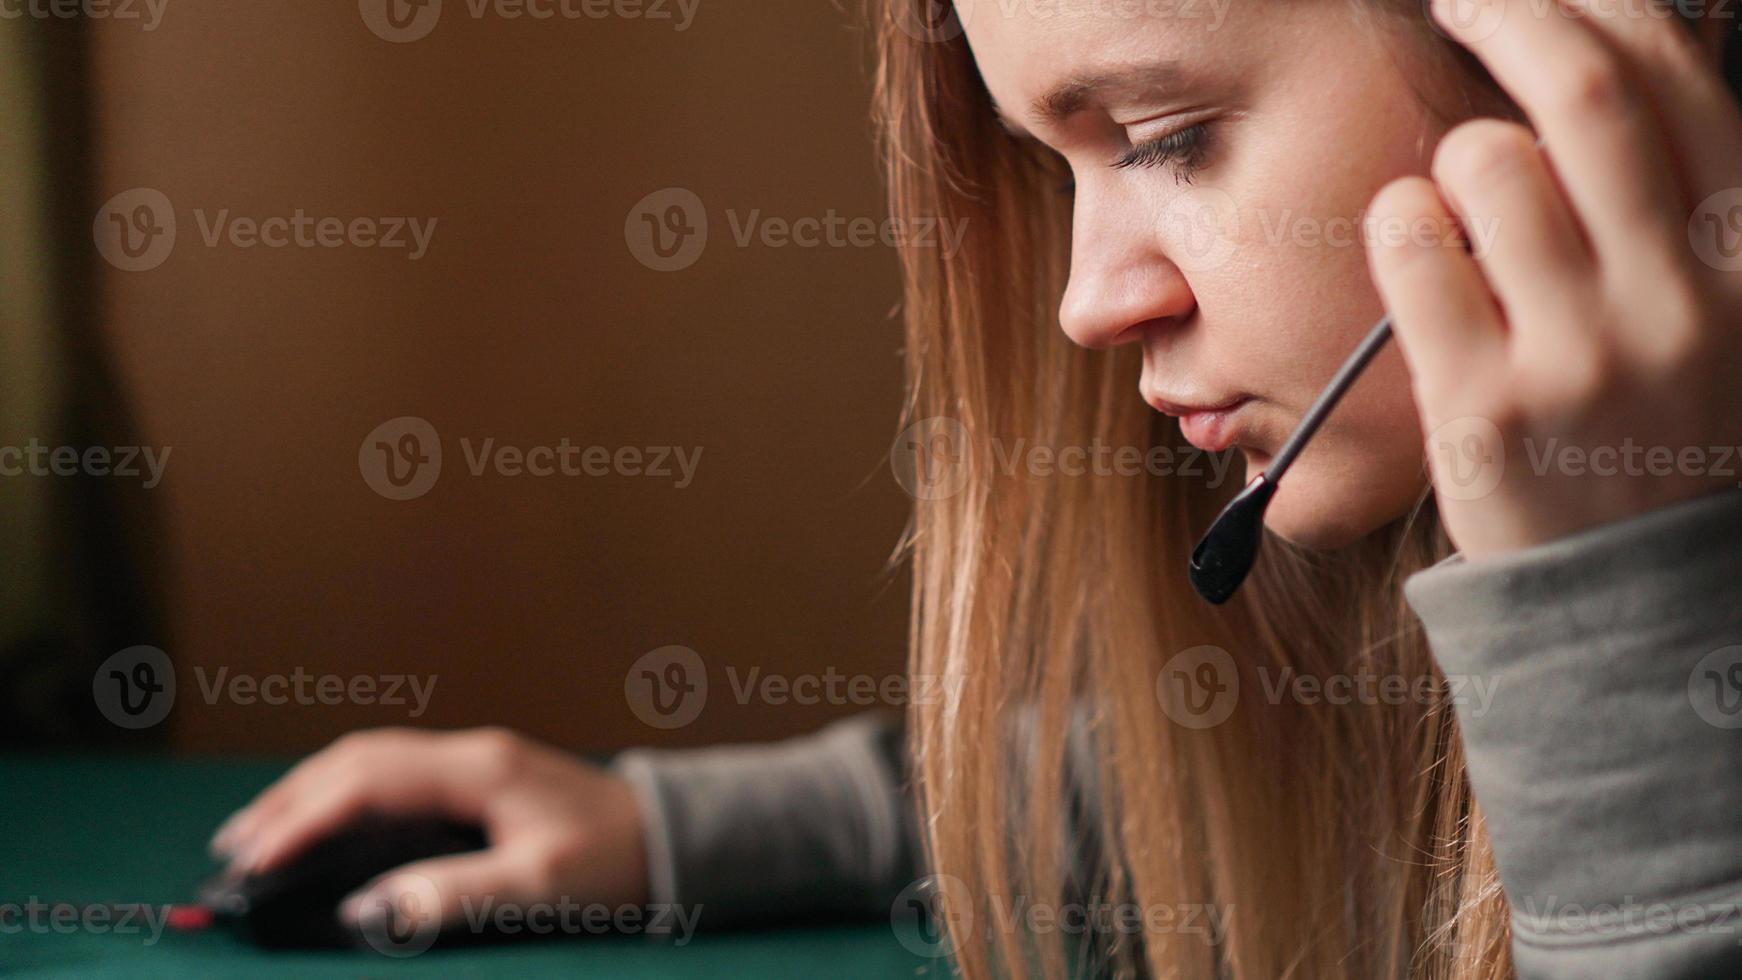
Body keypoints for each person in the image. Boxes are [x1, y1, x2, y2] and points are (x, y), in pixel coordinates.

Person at [207, 0, 1742, 975]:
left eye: (1169, 138)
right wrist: (660, 829)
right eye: (1053, 164)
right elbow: (1239, 791)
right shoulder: (1372, 605)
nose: (1087, 302)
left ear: (1588, 70)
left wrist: (1616, 626)